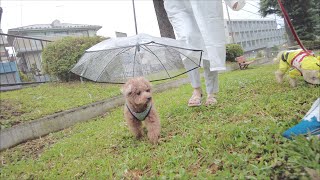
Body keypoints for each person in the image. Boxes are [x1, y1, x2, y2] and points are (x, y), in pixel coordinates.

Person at [164, 0, 245, 106]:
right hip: (179, 4)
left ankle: (211, 92)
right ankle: (196, 89)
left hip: (206, 4)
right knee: (186, 39)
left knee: (208, 42)